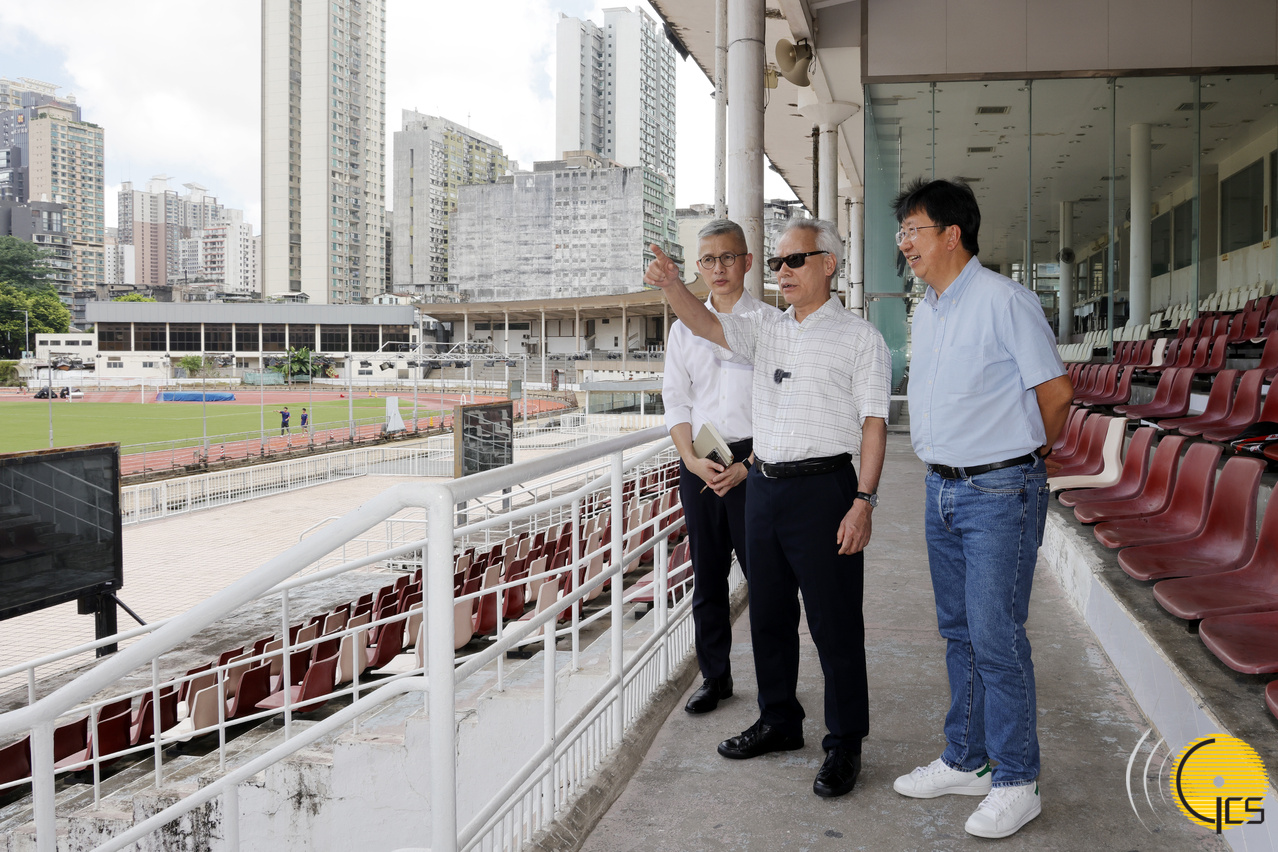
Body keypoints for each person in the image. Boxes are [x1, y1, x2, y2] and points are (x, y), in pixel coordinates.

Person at [644, 218, 890, 799]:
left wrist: (863, 502)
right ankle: (779, 720)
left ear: (828, 264)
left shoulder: (861, 339)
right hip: (765, 488)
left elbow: (874, 425)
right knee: (769, 617)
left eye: (794, 260)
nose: (783, 271)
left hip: (825, 489)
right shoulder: (766, 330)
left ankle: (844, 742)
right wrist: (673, 285)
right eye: (778, 262)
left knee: (834, 624)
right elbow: (705, 324)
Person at [890, 179, 1073, 839]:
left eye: (914, 230)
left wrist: (1026, 455)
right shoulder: (927, 310)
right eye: (902, 232)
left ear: (951, 234)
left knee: (996, 636)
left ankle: (1017, 781)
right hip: (940, 488)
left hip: (999, 490)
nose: (904, 243)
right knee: (960, 632)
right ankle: (966, 760)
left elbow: (1056, 393)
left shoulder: (1005, 300)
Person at [662, 219, 780, 715]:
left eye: (728, 257)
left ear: (747, 261)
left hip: (759, 461)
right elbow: (676, 400)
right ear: (699, 266)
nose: (719, 268)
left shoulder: (772, 323)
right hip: (702, 461)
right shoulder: (681, 329)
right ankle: (715, 677)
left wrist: (750, 464)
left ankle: (776, 688)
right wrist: (691, 460)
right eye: (709, 260)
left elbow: (780, 405)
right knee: (707, 578)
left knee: (767, 581)